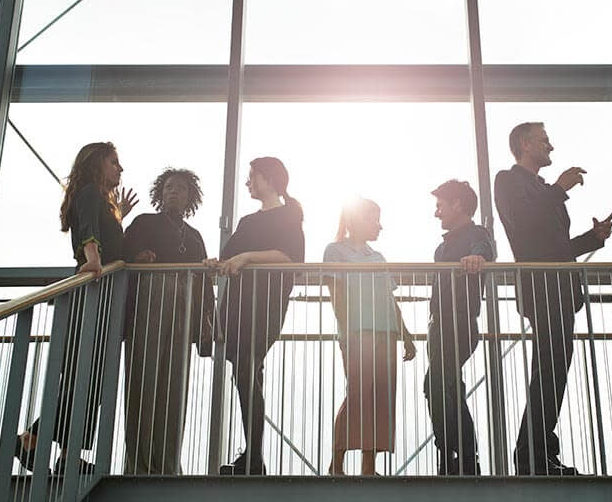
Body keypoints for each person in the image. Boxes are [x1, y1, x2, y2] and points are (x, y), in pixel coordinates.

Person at [494, 122, 612, 476]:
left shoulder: (543, 190)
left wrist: (592, 238)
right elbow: (523, 223)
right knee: (548, 370)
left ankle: (538, 451)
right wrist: (560, 188)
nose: (551, 146)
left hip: (559, 288)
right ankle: (532, 455)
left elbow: (554, 247)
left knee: (554, 372)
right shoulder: (509, 180)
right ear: (525, 144)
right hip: (543, 288)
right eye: (545, 140)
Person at [15, 142, 137, 474]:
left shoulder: (99, 200)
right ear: (97, 164)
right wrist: (94, 259)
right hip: (93, 293)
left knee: (90, 377)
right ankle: (40, 441)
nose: (120, 169)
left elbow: (99, 228)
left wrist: (118, 217)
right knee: (86, 373)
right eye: (114, 162)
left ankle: (57, 449)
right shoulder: (88, 194)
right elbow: (88, 231)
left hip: (105, 294)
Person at [203, 156, 305, 475]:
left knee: (247, 369)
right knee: (245, 372)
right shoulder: (247, 222)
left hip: (266, 302)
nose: (248, 182)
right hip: (239, 303)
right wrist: (215, 263)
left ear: (270, 179)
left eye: (253, 176)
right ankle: (253, 456)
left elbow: (291, 259)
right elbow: (229, 258)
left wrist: (247, 257)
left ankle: (254, 457)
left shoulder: (289, 213)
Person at [123, 168, 215, 474]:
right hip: (150, 300)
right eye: (169, 187)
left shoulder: (195, 236)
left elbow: (203, 283)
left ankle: (167, 464)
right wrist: (138, 258)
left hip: (184, 306)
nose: (174, 192)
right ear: (160, 193)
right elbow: (122, 256)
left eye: (181, 188)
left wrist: (206, 323)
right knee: (143, 381)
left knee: (176, 386)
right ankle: (139, 464)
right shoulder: (144, 223)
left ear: (191, 196)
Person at [323, 198, 416, 476]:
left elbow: (389, 298)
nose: (380, 226)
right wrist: (346, 329)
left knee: (381, 397)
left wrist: (406, 334)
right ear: (355, 221)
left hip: (386, 331)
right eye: (373, 219)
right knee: (358, 394)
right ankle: (336, 465)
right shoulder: (335, 251)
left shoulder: (378, 257)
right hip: (357, 331)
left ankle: (368, 467)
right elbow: (335, 292)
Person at [426, 180, 495, 476]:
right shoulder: (442, 246)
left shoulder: (476, 234)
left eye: (440, 205)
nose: (436, 213)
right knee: (447, 387)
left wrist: (477, 257)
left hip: (460, 323)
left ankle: (459, 456)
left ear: (457, 204)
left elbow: (485, 249)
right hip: (438, 325)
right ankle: (461, 457)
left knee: (437, 385)